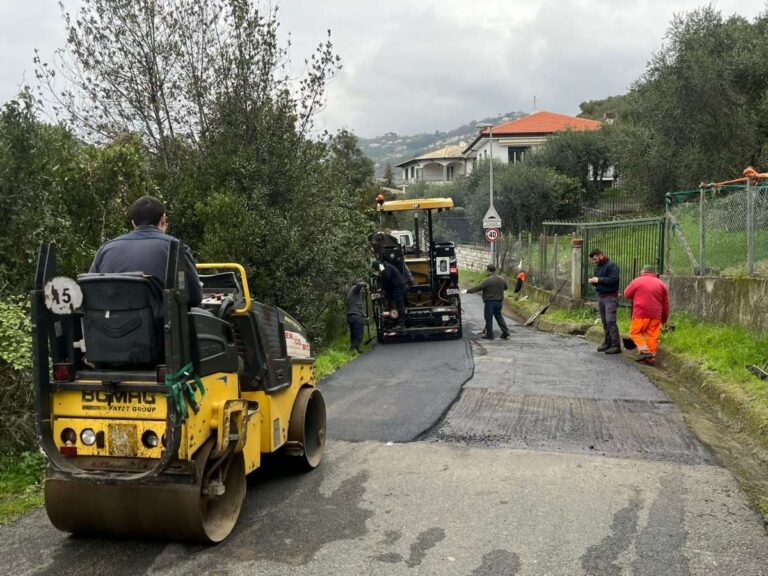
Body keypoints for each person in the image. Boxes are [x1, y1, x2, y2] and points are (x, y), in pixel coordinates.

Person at [90, 195, 203, 307]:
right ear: (163, 220)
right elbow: (195, 298)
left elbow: (90, 293)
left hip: (108, 323)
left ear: (133, 223)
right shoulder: (176, 248)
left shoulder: (105, 249)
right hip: (159, 324)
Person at [623, 265, 670, 365]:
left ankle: (644, 351)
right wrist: (664, 319)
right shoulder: (661, 284)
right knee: (652, 336)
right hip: (656, 315)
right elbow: (665, 304)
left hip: (641, 313)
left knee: (635, 333)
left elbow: (626, 294)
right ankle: (650, 358)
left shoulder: (637, 281)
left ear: (642, 272)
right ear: (654, 273)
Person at [588, 249, 620, 354]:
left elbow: (614, 280)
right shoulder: (598, 267)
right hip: (601, 296)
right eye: (593, 260)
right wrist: (594, 282)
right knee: (605, 321)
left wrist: (599, 280)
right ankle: (607, 342)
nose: (594, 261)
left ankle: (616, 345)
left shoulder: (612, 265)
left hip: (610, 297)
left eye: (595, 259)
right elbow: (599, 282)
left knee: (611, 321)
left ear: (601, 255)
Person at [466, 264, 509, 339]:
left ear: (488, 271)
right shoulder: (502, 279)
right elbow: (505, 288)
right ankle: (505, 332)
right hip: (499, 302)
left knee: (488, 318)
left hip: (490, 302)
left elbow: (478, 288)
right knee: (499, 316)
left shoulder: (488, 280)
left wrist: (468, 291)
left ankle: (489, 334)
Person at [374, 259, 407, 329]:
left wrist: (382, 288)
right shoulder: (387, 266)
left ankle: (401, 324)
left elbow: (386, 278)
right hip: (396, 287)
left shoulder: (386, 268)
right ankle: (394, 321)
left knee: (399, 305)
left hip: (398, 287)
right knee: (394, 304)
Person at [345, 281, 367, 353]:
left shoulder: (350, 294)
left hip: (350, 316)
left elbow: (354, 306)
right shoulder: (355, 289)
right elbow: (359, 285)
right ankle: (352, 349)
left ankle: (356, 349)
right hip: (356, 317)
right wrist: (365, 284)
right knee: (359, 334)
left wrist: (362, 314)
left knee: (354, 334)